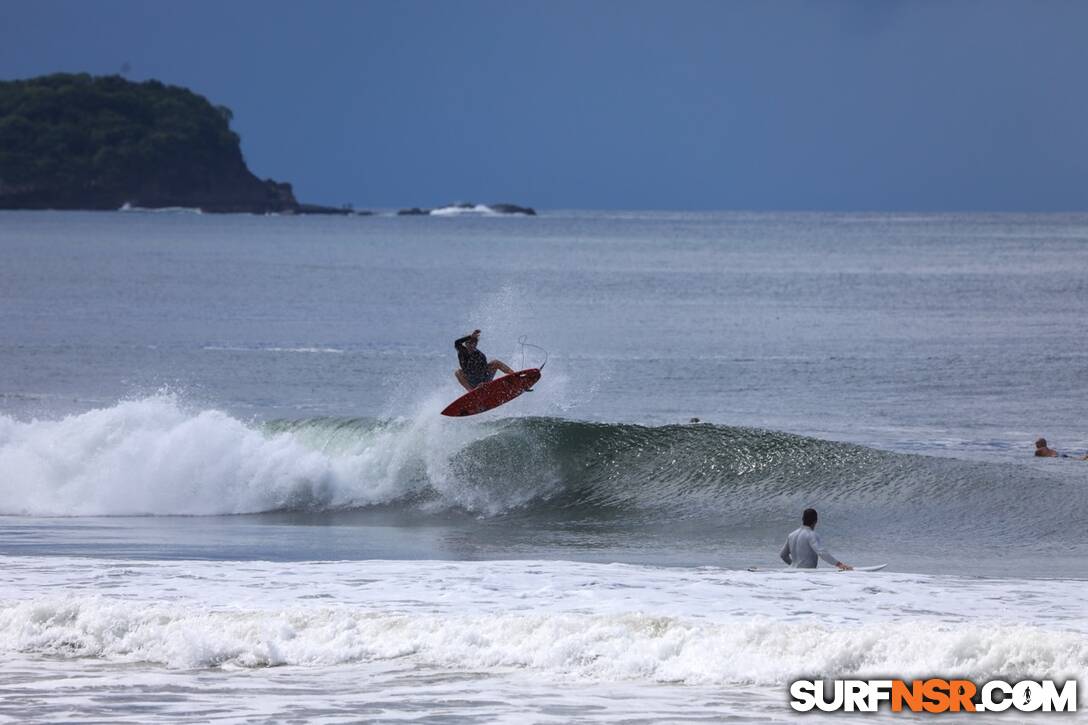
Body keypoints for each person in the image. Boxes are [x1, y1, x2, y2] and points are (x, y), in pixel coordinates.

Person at [779, 508, 852, 570]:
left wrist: (793, 565)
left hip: (791, 571)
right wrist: (839, 564)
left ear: (802, 519)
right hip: (806, 573)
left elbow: (783, 555)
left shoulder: (791, 535)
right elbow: (821, 552)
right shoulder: (811, 535)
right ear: (816, 521)